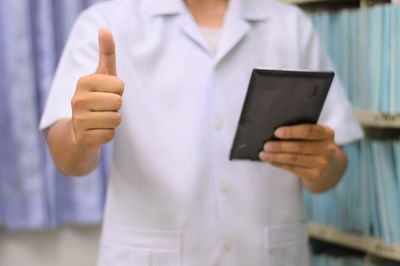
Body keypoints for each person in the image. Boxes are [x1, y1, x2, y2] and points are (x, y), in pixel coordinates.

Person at [40, 0, 363, 265]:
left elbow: (331, 169)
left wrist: (322, 162)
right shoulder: (106, 21)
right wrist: (81, 135)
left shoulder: (291, 25)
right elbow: (66, 157)